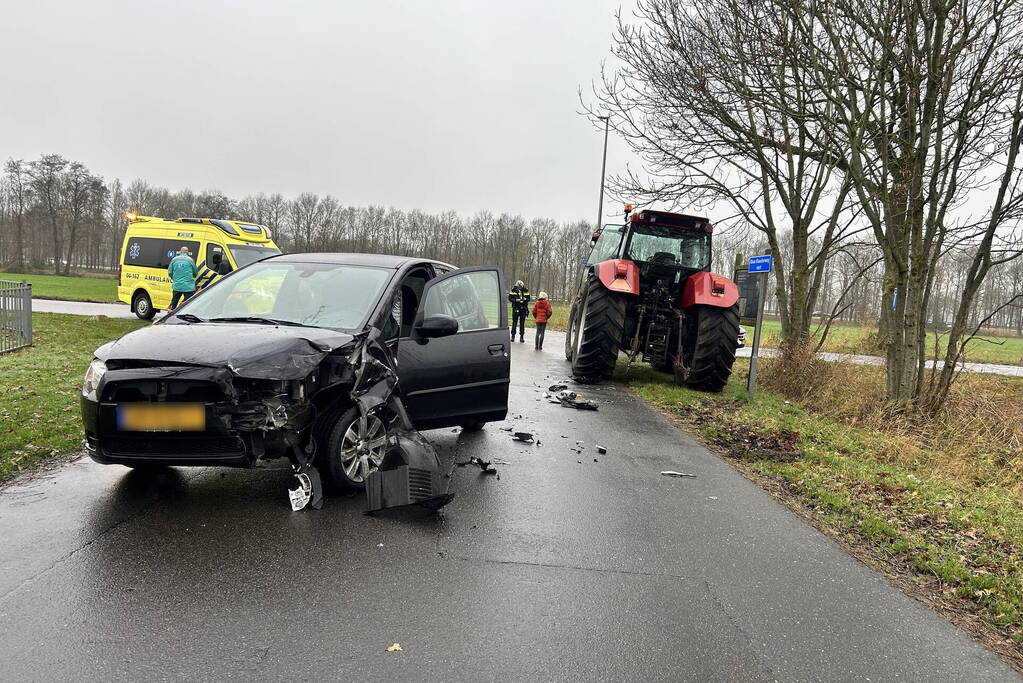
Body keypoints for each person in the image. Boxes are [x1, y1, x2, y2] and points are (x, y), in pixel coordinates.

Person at [167, 246, 198, 311]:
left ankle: (169, 314)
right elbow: (195, 272)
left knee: (174, 302)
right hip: (188, 286)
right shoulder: (190, 260)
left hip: (177, 285)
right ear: (187, 252)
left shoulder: (174, 259)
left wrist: (175, 278)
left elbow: (170, 272)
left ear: (180, 252)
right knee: (188, 304)